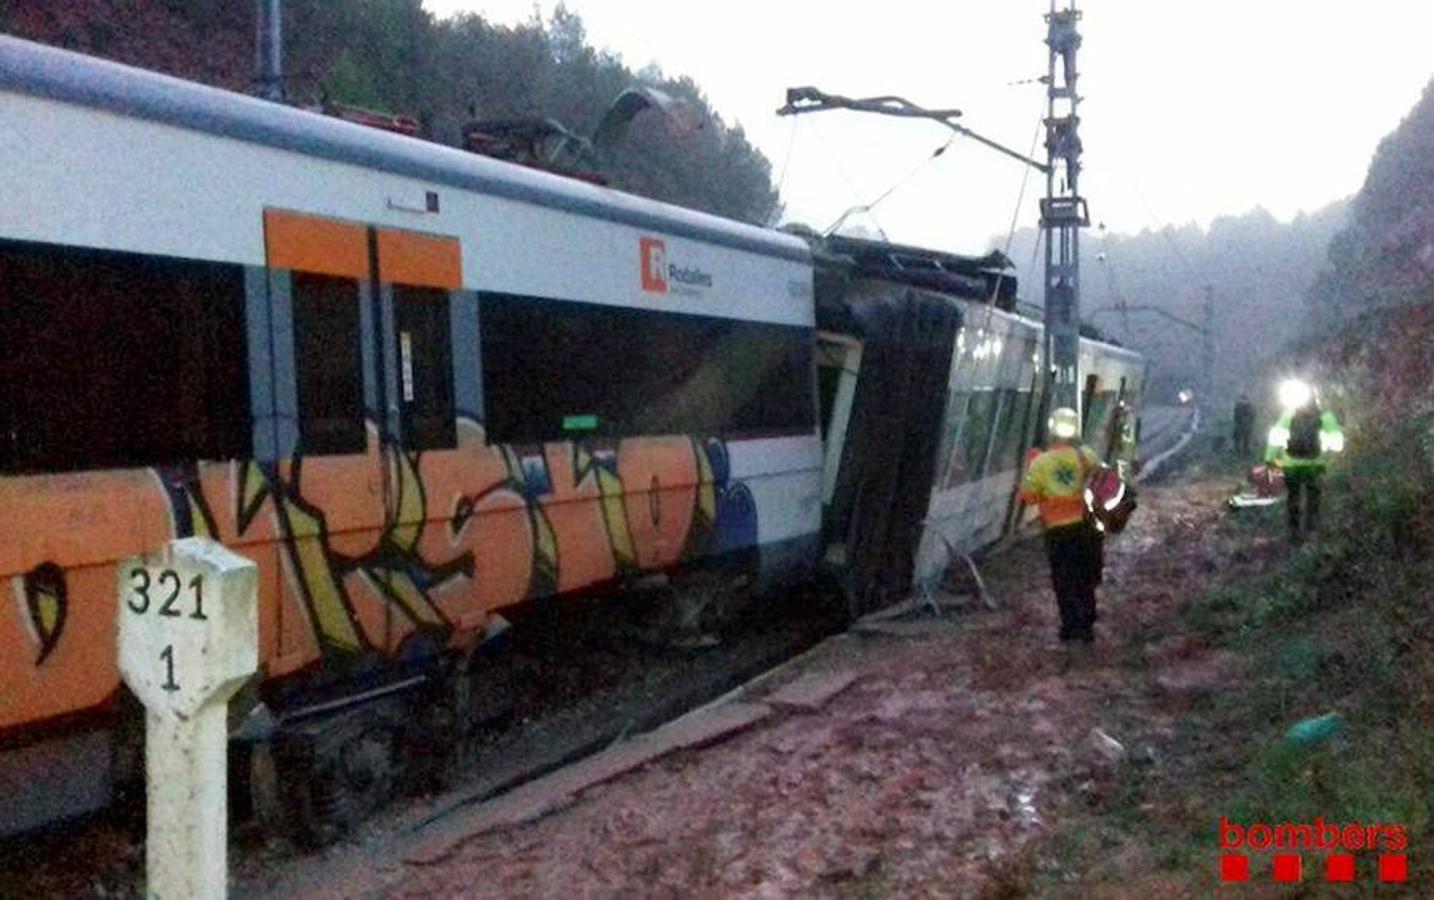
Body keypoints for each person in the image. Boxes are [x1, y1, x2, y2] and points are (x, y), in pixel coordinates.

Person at [1020, 407, 1104, 643]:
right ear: (1076, 429)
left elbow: (1029, 498)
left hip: (1058, 533)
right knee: (1085, 577)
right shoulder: (1085, 455)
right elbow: (1102, 481)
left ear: (1051, 430)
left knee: (1063, 580)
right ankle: (1087, 626)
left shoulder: (1041, 462)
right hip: (1087, 529)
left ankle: (1070, 628)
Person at [1265, 380, 1344, 542]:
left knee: (1293, 497)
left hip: (1291, 464)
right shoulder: (1325, 416)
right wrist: (1328, 458)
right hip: (1315, 465)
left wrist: (1270, 458)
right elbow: (1337, 444)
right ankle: (1311, 530)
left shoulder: (1288, 415)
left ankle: (1293, 532)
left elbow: (1275, 439)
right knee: (1313, 498)